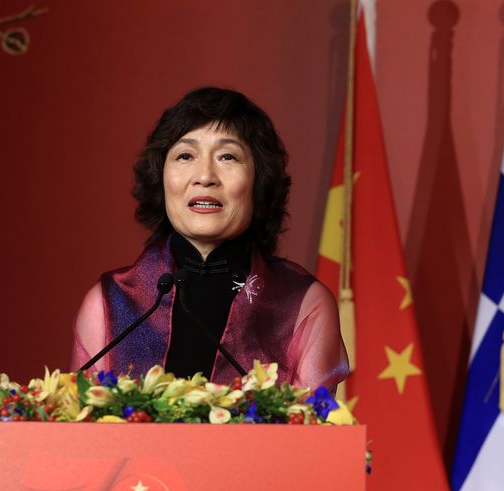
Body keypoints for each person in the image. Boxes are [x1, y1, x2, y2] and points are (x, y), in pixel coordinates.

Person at [71, 87, 348, 392]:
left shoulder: (301, 305)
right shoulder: (109, 302)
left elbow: (311, 422)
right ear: (161, 178)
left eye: (228, 156)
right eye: (185, 156)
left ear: (259, 181)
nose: (205, 176)